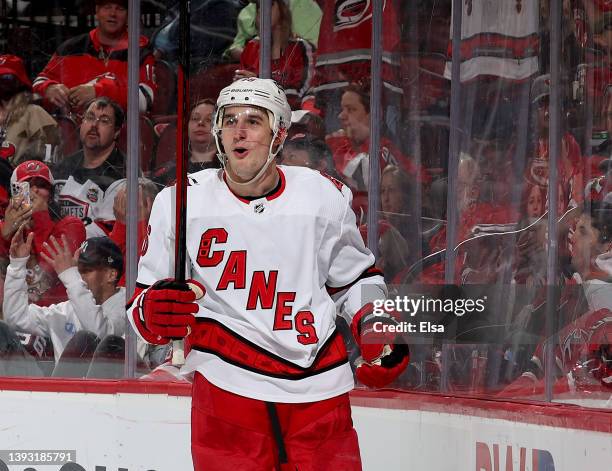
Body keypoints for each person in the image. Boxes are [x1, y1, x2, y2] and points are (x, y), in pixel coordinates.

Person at [127, 78, 409, 470]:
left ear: (278, 134)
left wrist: (376, 324)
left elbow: (355, 280)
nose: (239, 131)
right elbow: (142, 305)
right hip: (226, 385)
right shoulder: (179, 201)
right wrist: (156, 313)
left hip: (319, 386)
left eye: (254, 121)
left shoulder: (321, 195)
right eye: (229, 121)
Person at [3, 231, 125, 371]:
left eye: (86, 270)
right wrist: (17, 266)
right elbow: (15, 317)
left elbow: (100, 336)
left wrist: (70, 275)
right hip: (60, 391)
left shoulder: (127, 308)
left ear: (111, 275)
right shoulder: (68, 309)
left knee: (84, 339)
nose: (79, 277)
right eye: (77, 270)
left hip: (106, 390)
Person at [32, 0, 156, 114]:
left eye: (120, 9)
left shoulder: (140, 51)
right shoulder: (70, 48)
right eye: (107, 7)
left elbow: (146, 99)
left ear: (128, 15)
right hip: (68, 132)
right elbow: (39, 82)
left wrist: (97, 92)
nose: (112, 13)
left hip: (120, 134)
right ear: (97, 10)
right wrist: (48, 89)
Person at [0, 160, 86, 306]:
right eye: (25, 185)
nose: (34, 190)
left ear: (51, 195)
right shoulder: (4, 227)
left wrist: (40, 217)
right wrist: (4, 235)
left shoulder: (71, 226)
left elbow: (45, 277)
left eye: (41, 185)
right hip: (10, 312)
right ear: (12, 195)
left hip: (52, 316)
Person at [52, 97, 126, 238]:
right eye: (90, 117)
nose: (94, 125)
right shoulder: (64, 166)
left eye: (104, 121)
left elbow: (105, 237)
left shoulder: (121, 177)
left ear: (116, 132)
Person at [235, 0, 315, 109]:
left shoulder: (301, 48)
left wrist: (259, 85)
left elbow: (298, 94)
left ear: (283, 9)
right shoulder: (251, 48)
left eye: (270, 4)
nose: (261, 10)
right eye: (258, 6)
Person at [0, 55, 60, 165]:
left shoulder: (35, 114)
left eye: (7, 78)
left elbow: (50, 165)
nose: (2, 83)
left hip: (21, 180)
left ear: (20, 81)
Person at [152, 99, 221, 187]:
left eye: (209, 120)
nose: (200, 123)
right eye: (195, 119)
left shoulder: (229, 172)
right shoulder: (167, 173)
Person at [224, 0, 321, 61]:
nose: (260, 11)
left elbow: (313, 52)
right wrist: (250, 57)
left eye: (271, 5)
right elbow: (235, 47)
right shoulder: (247, 12)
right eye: (258, 8)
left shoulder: (305, 6)